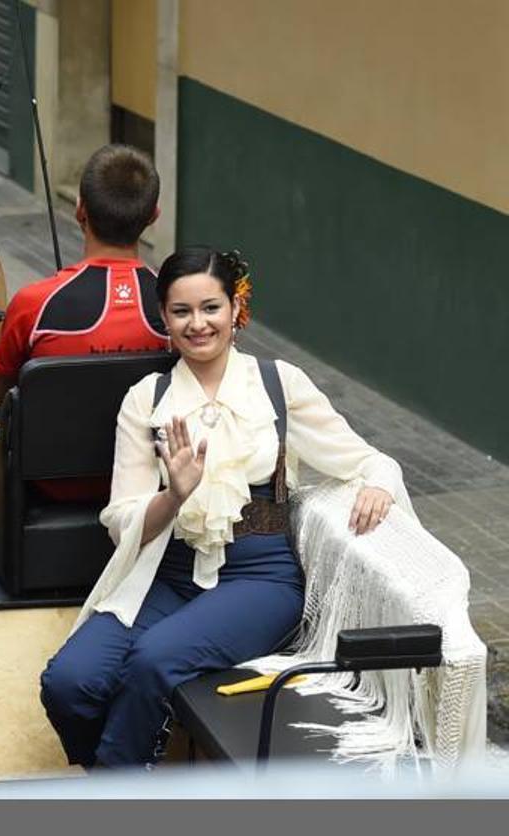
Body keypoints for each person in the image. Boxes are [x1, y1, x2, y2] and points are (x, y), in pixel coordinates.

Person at [38, 247, 410, 768]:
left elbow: (365, 458)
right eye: (181, 311)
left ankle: (113, 799)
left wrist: (379, 484)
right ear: (163, 317)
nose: (198, 324)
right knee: (68, 681)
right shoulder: (148, 398)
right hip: (165, 573)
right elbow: (122, 521)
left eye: (211, 308)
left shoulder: (279, 384)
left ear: (236, 309)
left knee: (154, 659)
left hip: (260, 577)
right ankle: (122, 771)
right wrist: (174, 494)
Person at [0, 144, 169, 501]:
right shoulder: (179, 309)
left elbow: (0, 393)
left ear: (80, 209)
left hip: (51, 485)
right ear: (153, 215)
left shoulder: (34, 303)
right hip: (149, 485)